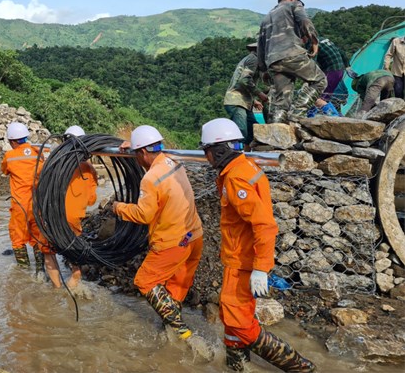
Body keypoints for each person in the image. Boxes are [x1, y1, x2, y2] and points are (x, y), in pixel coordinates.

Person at [200, 118, 316, 372]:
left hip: (242, 261)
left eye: (207, 151)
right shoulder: (243, 168)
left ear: (218, 150)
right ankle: (237, 366)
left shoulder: (236, 179)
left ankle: (300, 367)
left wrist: (261, 268)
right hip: (239, 258)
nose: (207, 158)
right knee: (232, 318)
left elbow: (264, 225)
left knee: (238, 321)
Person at [113, 125, 203, 340]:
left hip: (173, 242)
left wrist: (118, 208)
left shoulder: (150, 179)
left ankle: (183, 333)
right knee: (175, 288)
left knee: (145, 281)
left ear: (142, 152)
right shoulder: (173, 162)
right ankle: (171, 334)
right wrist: (134, 144)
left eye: (136, 153)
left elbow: (143, 215)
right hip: (194, 236)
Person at [1, 122, 61, 287]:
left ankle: (23, 275)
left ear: (12, 141)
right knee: (38, 239)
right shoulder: (38, 153)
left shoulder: (10, 156)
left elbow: (5, 170)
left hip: (20, 206)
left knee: (18, 239)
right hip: (37, 205)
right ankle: (40, 272)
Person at [257, 0, 327, 123]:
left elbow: (260, 46)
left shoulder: (266, 18)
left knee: (281, 101)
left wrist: (263, 69)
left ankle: (276, 132)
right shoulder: (293, 4)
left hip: (273, 61)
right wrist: (314, 40)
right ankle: (298, 112)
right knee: (319, 80)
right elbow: (305, 21)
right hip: (292, 53)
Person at [63, 125, 98, 289]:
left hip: (56, 215)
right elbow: (91, 200)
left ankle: (61, 283)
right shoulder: (89, 169)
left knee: (51, 249)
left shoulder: (58, 166)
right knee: (73, 244)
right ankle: (75, 274)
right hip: (76, 216)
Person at [223, 41, 268, 150]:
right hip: (236, 101)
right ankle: (232, 154)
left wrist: (254, 101)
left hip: (244, 102)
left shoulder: (250, 59)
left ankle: (246, 154)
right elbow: (244, 80)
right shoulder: (254, 59)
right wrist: (260, 94)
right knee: (241, 130)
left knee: (253, 130)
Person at [308, 38, 347, 115]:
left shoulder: (311, 43)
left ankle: (334, 117)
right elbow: (341, 52)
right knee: (325, 99)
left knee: (316, 98)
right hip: (339, 71)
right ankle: (337, 116)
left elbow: (312, 63)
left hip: (331, 72)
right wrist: (347, 66)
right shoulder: (324, 40)